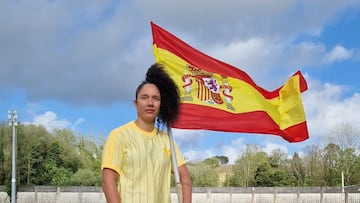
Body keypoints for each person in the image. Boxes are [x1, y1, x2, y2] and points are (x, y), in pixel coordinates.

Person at [101, 63, 192, 203]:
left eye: (156, 98)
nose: (150, 103)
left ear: (161, 105)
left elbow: (184, 176)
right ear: (135, 103)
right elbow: (108, 180)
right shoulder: (119, 135)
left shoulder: (167, 141)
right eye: (144, 97)